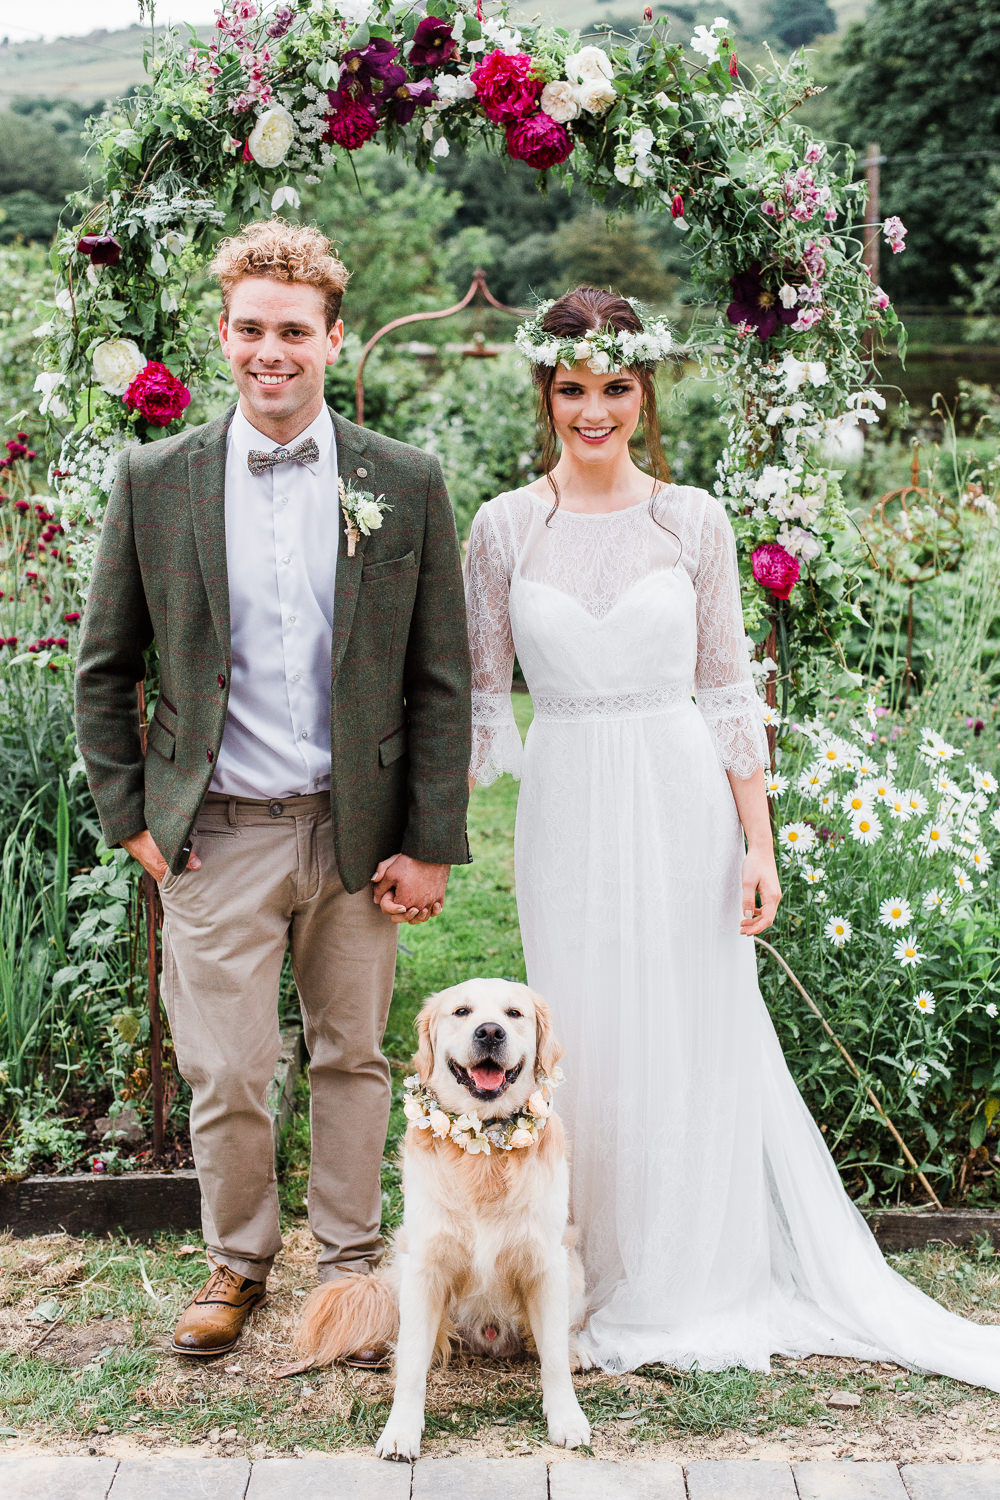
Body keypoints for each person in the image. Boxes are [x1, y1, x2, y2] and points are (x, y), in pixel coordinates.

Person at [464, 285, 1000, 1389]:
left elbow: (726, 691)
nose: (594, 411)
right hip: (564, 796)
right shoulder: (505, 526)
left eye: (615, 388)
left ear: (644, 391)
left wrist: (757, 844)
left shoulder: (691, 519)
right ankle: (584, 1267)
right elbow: (469, 693)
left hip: (678, 796)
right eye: (573, 390)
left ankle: (693, 1274)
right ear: (546, 393)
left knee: (691, 1029)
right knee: (589, 1031)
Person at [75, 219, 471, 1357]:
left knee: (355, 1055)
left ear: (332, 338)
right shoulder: (157, 480)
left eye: (294, 331)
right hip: (216, 832)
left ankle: (350, 1268)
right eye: (250, 329)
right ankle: (236, 1260)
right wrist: (133, 824)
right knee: (231, 1066)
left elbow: (439, 675)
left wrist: (429, 839)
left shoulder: (404, 480)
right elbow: (105, 668)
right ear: (224, 335)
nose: (271, 352)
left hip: (356, 834)